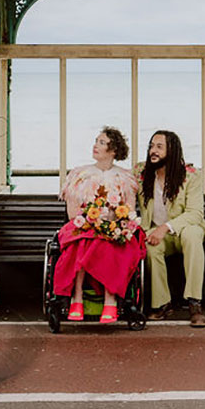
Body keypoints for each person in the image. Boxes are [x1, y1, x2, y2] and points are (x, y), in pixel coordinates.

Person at [52, 127, 146, 323]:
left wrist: (117, 224)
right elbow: (72, 213)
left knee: (113, 243)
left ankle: (110, 299)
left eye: (102, 142)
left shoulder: (125, 178)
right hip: (83, 224)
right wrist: (92, 222)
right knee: (84, 241)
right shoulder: (80, 175)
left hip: (113, 226)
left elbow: (129, 209)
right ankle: (76, 298)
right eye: (96, 141)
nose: (95, 145)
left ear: (113, 151)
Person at [135, 130, 205, 328]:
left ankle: (195, 303)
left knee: (193, 235)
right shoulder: (142, 174)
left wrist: (166, 227)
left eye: (159, 147)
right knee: (151, 245)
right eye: (152, 146)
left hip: (185, 229)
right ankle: (162, 303)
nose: (153, 151)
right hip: (159, 232)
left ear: (173, 150)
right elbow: (118, 181)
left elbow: (195, 213)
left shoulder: (191, 177)